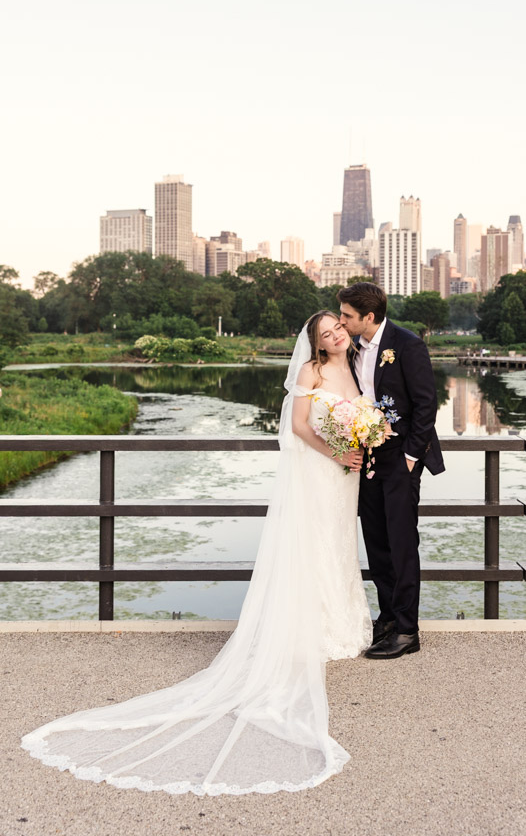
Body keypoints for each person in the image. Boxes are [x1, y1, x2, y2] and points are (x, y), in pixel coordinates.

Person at [21, 312, 373, 796]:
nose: (334, 335)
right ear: (313, 341)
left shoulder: (355, 362)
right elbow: (295, 427)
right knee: (311, 544)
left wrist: (360, 438)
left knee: (336, 545)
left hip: (345, 474)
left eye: (338, 327)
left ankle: (341, 624)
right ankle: (306, 629)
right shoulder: (311, 372)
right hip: (321, 468)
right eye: (325, 332)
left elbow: (356, 413)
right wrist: (337, 452)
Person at [338, 282, 445, 660]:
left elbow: (425, 404)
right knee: (377, 542)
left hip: (400, 456)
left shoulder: (407, 344)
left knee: (401, 544)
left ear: (368, 317)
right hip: (367, 456)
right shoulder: (352, 347)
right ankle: (386, 620)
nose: (341, 320)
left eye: (347, 315)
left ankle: (407, 630)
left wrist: (411, 458)